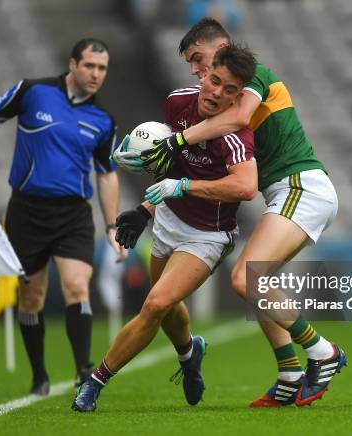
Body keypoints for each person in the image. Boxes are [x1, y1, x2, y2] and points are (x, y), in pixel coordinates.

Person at [114, 18, 346, 408]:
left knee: (245, 277)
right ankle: (290, 374)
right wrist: (147, 195)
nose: (196, 71)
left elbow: (237, 120)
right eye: (193, 65)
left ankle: (323, 352)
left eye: (198, 59)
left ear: (221, 49)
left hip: (300, 187)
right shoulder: (217, 100)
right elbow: (189, 163)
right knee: (257, 282)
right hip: (287, 192)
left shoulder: (252, 78)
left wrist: (176, 140)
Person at [72, 44, 258, 412]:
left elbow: (246, 187)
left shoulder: (237, 135)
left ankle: (94, 383)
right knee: (168, 305)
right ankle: (190, 353)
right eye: (215, 81)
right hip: (169, 218)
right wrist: (145, 207)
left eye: (230, 90)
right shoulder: (177, 103)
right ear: (205, 74)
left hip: (207, 235)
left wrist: (185, 187)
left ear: (239, 95)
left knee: (155, 303)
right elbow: (173, 161)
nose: (218, 93)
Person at [0, 38, 127, 395]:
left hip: (74, 214)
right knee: (32, 298)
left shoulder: (103, 120)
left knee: (76, 286)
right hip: (27, 211)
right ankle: (39, 376)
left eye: (102, 68)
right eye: (89, 66)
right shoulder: (33, 91)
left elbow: (106, 173)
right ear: (72, 64)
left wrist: (113, 226)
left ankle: (84, 370)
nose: (96, 74)